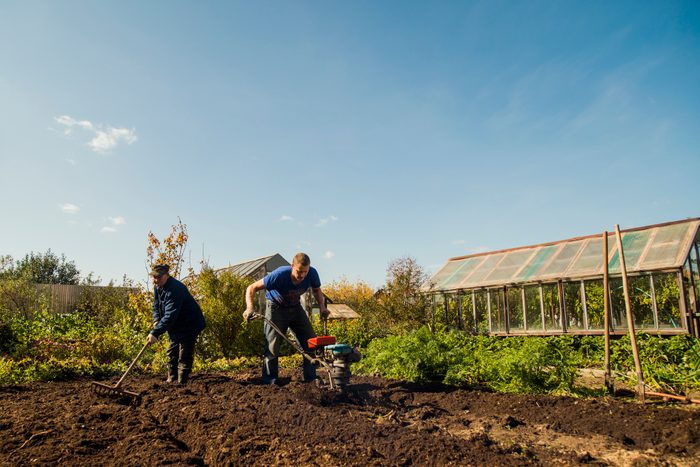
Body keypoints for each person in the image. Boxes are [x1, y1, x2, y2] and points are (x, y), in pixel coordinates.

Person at [243, 252, 330, 385]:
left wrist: (322, 307)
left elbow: (317, 290)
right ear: (292, 266)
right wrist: (249, 307)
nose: (302, 275)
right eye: (299, 271)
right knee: (272, 346)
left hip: (295, 308)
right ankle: (270, 382)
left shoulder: (312, 273)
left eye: (305, 272)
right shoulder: (279, 275)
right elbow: (252, 287)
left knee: (310, 342)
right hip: (275, 308)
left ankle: (311, 378)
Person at [146, 264, 206, 385]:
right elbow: (156, 306)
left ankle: (182, 382)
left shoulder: (176, 289)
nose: (155, 280)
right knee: (171, 351)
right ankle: (171, 379)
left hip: (190, 324)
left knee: (184, 353)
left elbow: (170, 315)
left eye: (158, 277)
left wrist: (155, 332)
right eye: (153, 277)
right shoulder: (158, 287)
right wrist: (156, 320)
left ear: (166, 275)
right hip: (176, 324)